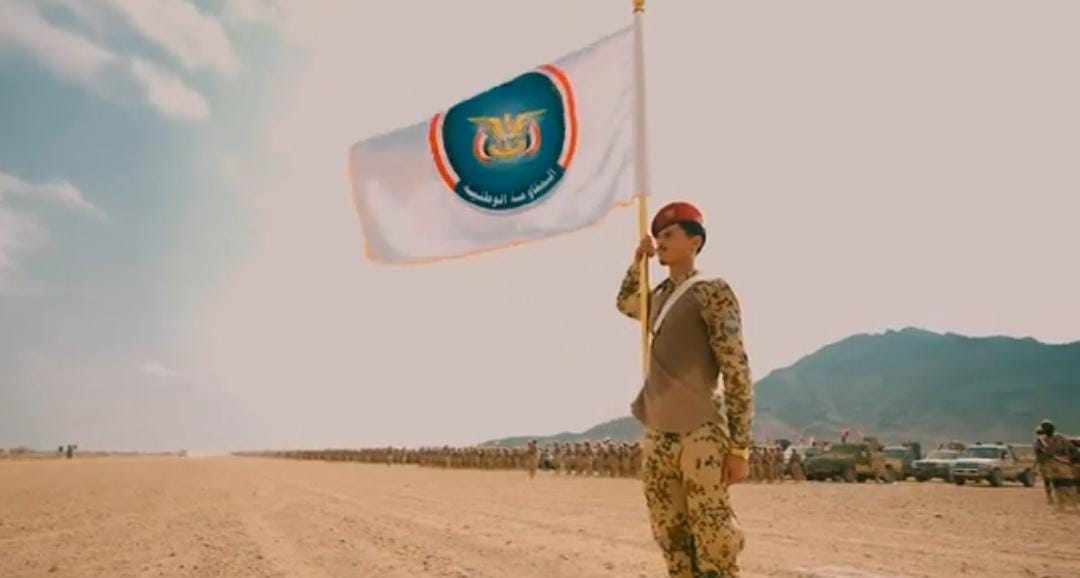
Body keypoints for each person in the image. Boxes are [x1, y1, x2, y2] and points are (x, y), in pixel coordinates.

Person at [617, 201, 754, 578]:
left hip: (700, 432)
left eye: (668, 234)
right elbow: (626, 303)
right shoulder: (658, 297)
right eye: (656, 235)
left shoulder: (712, 291)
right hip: (658, 434)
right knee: (671, 537)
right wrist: (638, 263)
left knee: (713, 538)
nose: (659, 241)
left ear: (695, 241)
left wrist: (739, 447)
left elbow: (736, 367)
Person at [1033, 420, 1076, 510]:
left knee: (1058, 484)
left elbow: (1039, 454)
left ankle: (1062, 503)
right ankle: (1068, 503)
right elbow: (1070, 447)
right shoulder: (1059, 438)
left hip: (1051, 465)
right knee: (1064, 484)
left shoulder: (1040, 441)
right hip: (1062, 464)